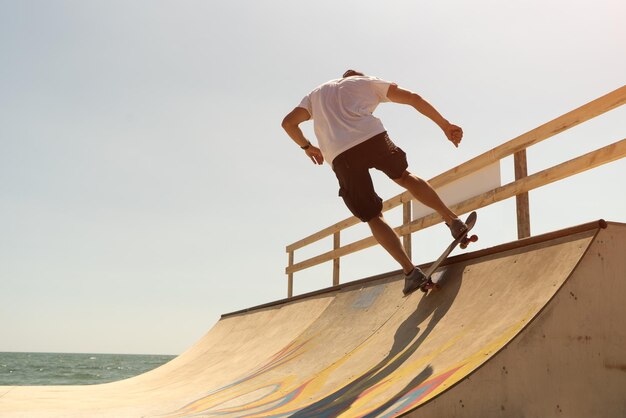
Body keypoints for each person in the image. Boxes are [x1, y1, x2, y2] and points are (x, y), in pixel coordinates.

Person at [281, 69, 467, 295]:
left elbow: (288, 123)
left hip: (341, 155)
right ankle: (453, 220)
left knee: (372, 215)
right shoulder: (366, 82)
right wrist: (445, 125)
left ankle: (410, 271)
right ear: (356, 75)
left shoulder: (316, 94)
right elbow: (414, 99)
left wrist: (307, 147)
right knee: (404, 177)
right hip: (373, 139)